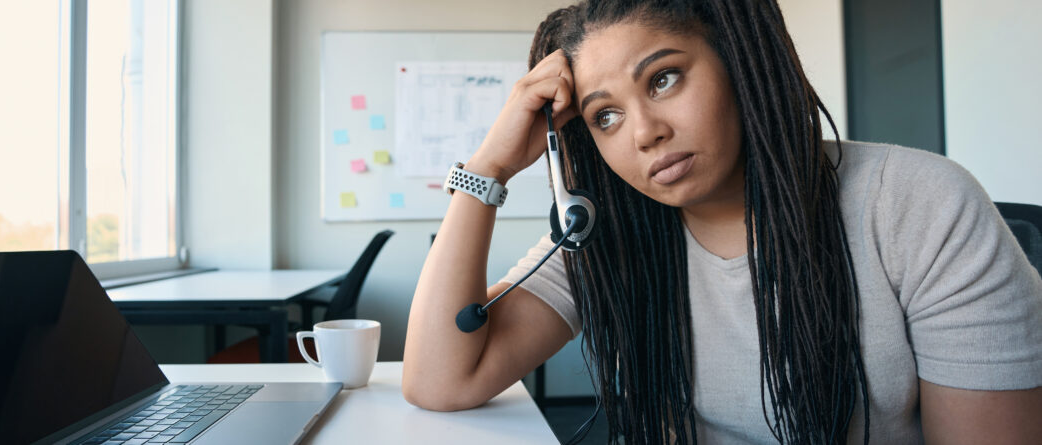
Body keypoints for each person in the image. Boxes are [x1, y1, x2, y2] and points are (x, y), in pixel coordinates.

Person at [402, 0, 1042, 443]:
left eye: (664, 79)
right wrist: (488, 168)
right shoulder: (615, 233)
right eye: (606, 117)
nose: (646, 133)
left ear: (737, 61)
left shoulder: (920, 207)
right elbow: (440, 379)